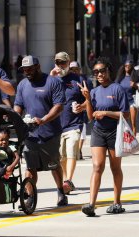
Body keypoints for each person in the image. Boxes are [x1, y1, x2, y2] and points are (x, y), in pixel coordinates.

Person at [14, 55, 68, 206]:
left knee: (53, 165)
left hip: (50, 133)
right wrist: (15, 117)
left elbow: (59, 106)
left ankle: (60, 192)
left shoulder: (52, 82)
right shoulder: (23, 84)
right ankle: (29, 198)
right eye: (24, 70)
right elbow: (18, 105)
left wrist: (43, 120)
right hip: (30, 134)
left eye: (30, 69)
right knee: (30, 167)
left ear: (38, 67)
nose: (27, 72)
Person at [79, 57, 130, 217]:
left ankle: (117, 203)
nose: (99, 74)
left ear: (108, 71)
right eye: (96, 72)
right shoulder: (94, 92)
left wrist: (106, 113)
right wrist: (87, 99)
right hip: (98, 132)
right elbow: (90, 117)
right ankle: (91, 205)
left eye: (102, 71)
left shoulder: (118, 89)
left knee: (115, 168)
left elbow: (126, 114)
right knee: (97, 166)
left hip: (115, 132)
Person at [50, 53, 86, 194]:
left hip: (74, 123)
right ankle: (66, 181)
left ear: (68, 63)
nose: (61, 66)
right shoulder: (51, 80)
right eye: (58, 63)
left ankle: (68, 180)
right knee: (61, 156)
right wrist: (51, 77)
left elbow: (89, 100)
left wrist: (81, 107)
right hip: (58, 125)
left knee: (71, 151)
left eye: (63, 63)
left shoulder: (77, 80)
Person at [69, 61, 94, 160]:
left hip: (82, 109)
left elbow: (91, 95)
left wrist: (84, 105)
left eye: (76, 69)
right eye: (71, 69)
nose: (74, 71)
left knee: (82, 131)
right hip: (70, 109)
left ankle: (78, 150)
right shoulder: (66, 80)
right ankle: (75, 151)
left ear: (79, 69)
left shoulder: (85, 81)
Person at [115, 59, 139, 136]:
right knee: (124, 122)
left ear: (132, 67)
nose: (127, 67)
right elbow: (114, 88)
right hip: (122, 103)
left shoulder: (135, 77)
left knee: (133, 122)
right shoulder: (120, 77)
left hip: (132, 102)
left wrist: (135, 86)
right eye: (126, 66)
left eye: (129, 66)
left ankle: (133, 141)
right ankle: (125, 140)